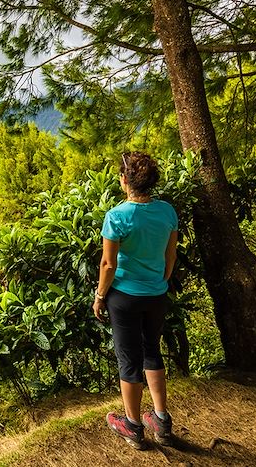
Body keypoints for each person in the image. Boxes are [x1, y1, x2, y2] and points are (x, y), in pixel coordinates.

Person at [93, 151, 178, 450]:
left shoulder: (117, 216)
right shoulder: (167, 212)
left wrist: (100, 296)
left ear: (125, 180)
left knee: (129, 361)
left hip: (125, 298)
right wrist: (161, 281)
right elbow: (171, 255)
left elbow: (108, 265)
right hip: (156, 294)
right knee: (152, 352)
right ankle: (161, 419)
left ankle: (132, 426)